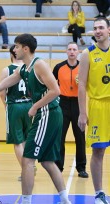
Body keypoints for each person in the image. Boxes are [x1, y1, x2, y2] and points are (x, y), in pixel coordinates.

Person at [0, 33, 71, 204]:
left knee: (27, 160)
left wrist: (35, 106)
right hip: (46, 113)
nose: (14, 49)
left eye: (17, 46)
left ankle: (26, 201)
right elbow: (1, 86)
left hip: (48, 113)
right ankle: (65, 199)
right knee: (47, 161)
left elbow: (55, 91)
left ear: (25, 49)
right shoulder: (23, 69)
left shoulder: (39, 65)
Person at [78, 17, 110, 204]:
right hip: (97, 106)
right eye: (95, 28)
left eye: (101, 28)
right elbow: (81, 84)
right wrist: (83, 113)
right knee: (98, 152)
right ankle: (99, 194)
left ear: (108, 30)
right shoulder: (87, 53)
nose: (97, 31)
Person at [53, 42, 88, 178]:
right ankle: (58, 166)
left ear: (78, 52)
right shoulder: (59, 67)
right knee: (59, 137)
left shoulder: (83, 67)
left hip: (78, 103)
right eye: (69, 49)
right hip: (63, 103)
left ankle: (81, 167)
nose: (72, 52)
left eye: (74, 49)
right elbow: (51, 83)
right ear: (66, 51)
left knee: (80, 137)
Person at [0, 45, 32, 181]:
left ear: (11, 54)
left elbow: (2, 93)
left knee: (17, 142)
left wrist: (6, 106)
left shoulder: (7, 70)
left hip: (15, 105)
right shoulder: (29, 68)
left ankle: (26, 170)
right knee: (27, 138)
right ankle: (30, 165)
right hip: (29, 105)